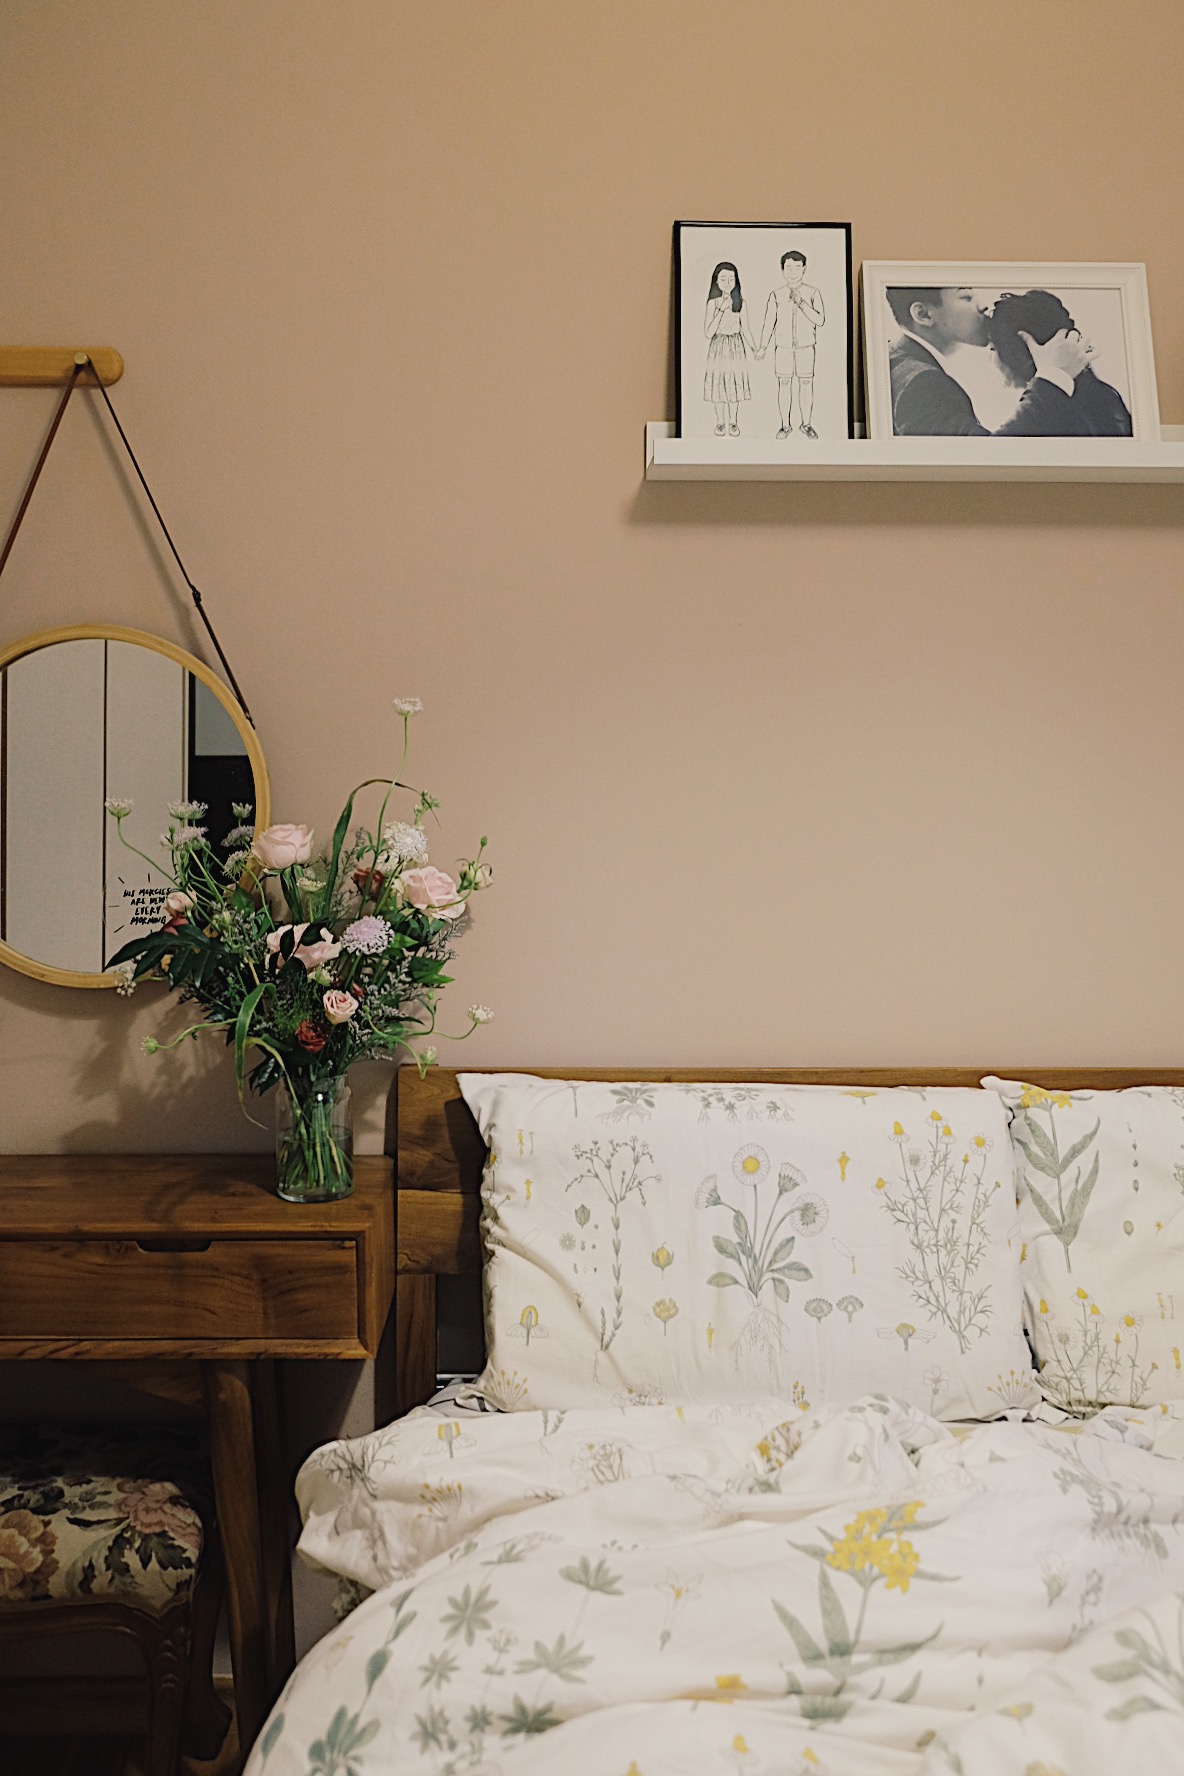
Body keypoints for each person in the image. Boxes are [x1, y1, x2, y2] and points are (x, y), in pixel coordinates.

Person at [886, 287, 1090, 435]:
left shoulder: (904, 367)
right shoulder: (920, 383)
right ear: (923, 314)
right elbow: (986, 458)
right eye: (966, 297)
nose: (983, 306)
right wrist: (1053, 376)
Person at [988, 290, 1132, 436]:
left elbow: (995, 448)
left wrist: (1051, 377)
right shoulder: (1106, 402)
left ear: (1016, 354)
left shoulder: (1045, 418)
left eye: (993, 348)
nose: (991, 360)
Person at [757, 251, 827, 438]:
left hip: (806, 346)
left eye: (797, 267)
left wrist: (801, 303)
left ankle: (806, 424)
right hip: (783, 347)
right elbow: (769, 323)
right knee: (784, 383)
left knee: (806, 383)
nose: (793, 272)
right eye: (788, 268)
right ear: (782, 270)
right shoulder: (776, 295)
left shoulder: (813, 292)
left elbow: (820, 320)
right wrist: (763, 347)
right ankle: (785, 425)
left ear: (804, 269)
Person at [703, 263, 757, 435]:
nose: (727, 283)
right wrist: (721, 310)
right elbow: (708, 332)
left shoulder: (741, 303)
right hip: (718, 346)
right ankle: (720, 422)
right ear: (716, 281)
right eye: (723, 279)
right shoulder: (713, 303)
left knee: (734, 383)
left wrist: (754, 348)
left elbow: (746, 329)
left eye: (731, 279)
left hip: (736, 346)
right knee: (718, 383)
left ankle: (733, 421)